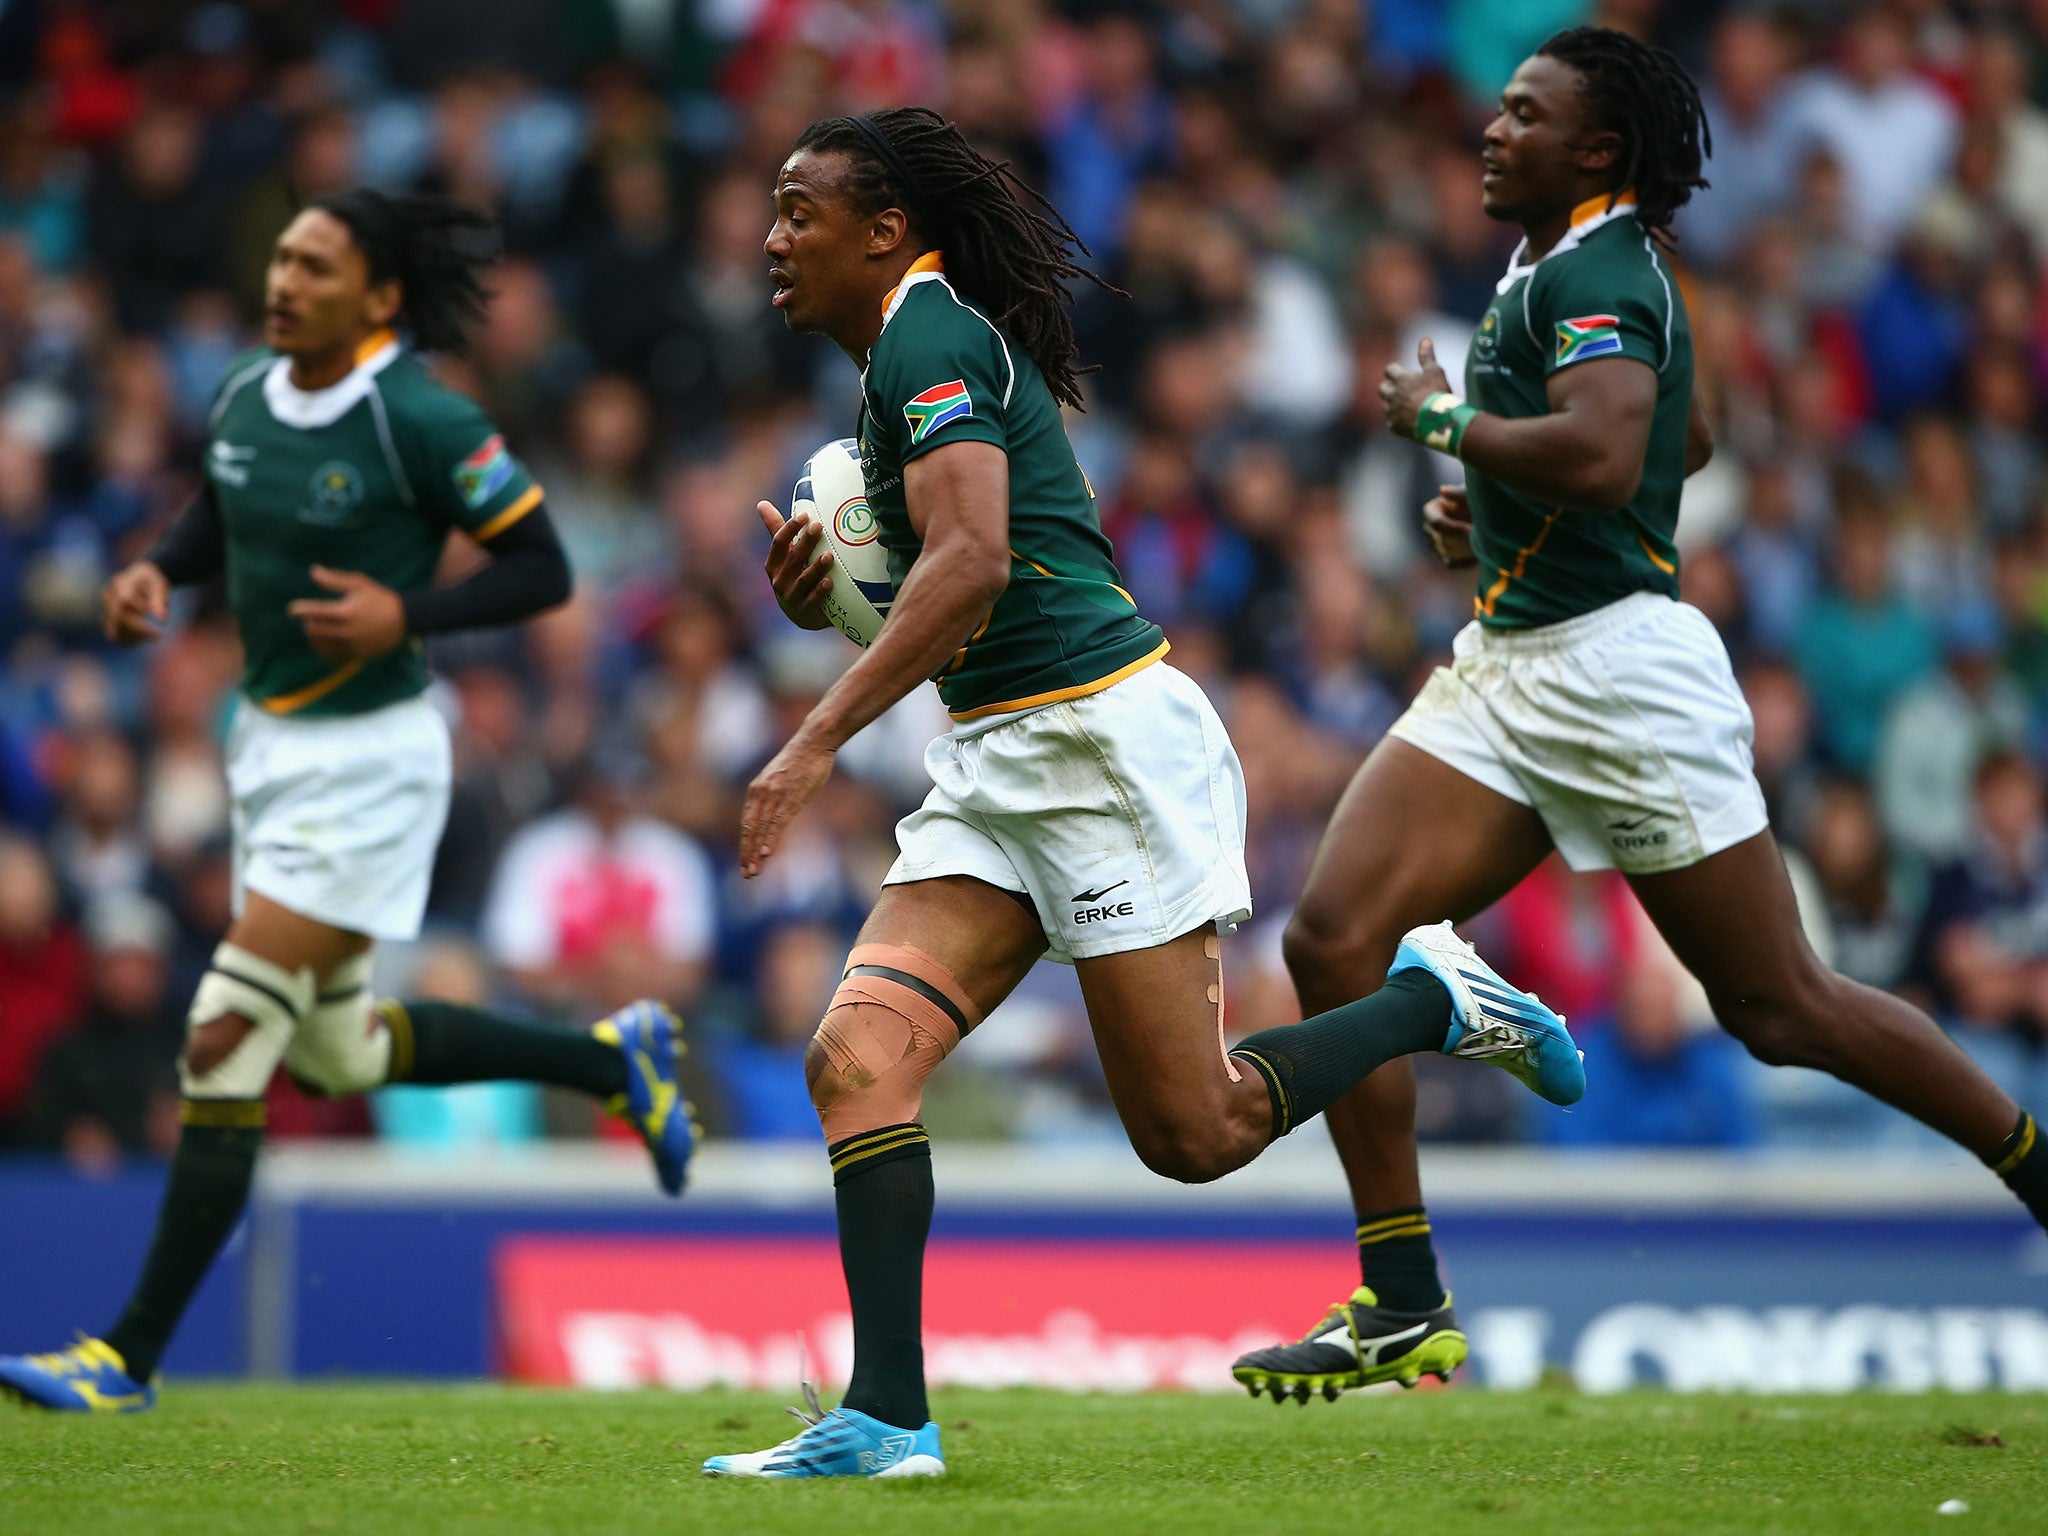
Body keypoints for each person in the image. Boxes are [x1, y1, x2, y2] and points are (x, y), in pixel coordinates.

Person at [700, 108, 1583, 1480]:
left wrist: (814, 737)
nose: (771, 240)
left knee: (1197, 1131)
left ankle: (1436, 1001)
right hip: (1005, 756)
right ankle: (886, 1419)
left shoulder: (929, 336)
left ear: (885, 236)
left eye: (797, 213)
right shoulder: (900, 362)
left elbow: (978, 561)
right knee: (855, 1059)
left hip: (1101, 750)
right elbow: (960, 570)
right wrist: (834, 610)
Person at [1230, 26, 2048, 1407]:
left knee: (1782, 1009)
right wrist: (1495, 507)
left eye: (1522, 113)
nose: (1492, 130)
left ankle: (2035, 1164)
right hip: (1514, 658)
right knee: (1331, 934)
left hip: (1620, 679)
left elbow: (1616, 453)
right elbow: (1694, 432)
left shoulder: (1608, 264)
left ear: (1596, 149)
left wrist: (1446, 428)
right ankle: (1403, 1302)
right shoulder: (1580, 262)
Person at [0, 190, 694, 1416]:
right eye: (279, 257)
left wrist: (405, 614)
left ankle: (124, 1359)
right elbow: (222, 505)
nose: (284, 280)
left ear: (378, 297)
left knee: (222, 1030)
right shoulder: (242, 394)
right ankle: (606, 1058)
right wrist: (160, 569)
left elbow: (544, 566)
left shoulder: (420, 418)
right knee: (335, 1049)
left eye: (315, 265)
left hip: (372, 759)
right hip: (268, 749)